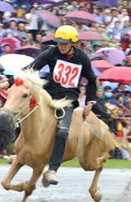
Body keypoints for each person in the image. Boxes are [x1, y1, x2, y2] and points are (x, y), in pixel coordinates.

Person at [20, 24, 107, 186]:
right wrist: (10, 80)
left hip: (67, 101)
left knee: (62, 132)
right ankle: (20, 153)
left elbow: (92, 80)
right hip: (48, 96)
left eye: (65, 43)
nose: (61, 46)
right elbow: (32, 68)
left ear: (73, 43)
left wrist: (90, 102)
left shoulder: (82, 58)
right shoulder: (51, 53)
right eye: (59, 42)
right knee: (24, 115)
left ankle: (53, 169)